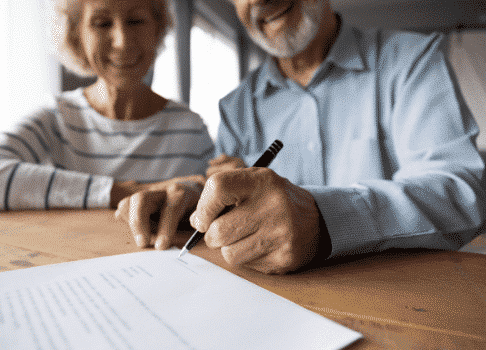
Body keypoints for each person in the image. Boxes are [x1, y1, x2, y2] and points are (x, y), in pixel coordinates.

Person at [116, 0, 485, 274]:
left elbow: (462, 193)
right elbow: (226, 193)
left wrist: (325, 218)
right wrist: (193, 203)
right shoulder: (237, 106)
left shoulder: (412, 60)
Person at [0, 0, 213, 216]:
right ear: (76, 37)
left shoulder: (191, 127)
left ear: (157, 29)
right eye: (102, 23)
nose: (122, 41)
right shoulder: (57, 117)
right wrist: (122, 191)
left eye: (136, 20)